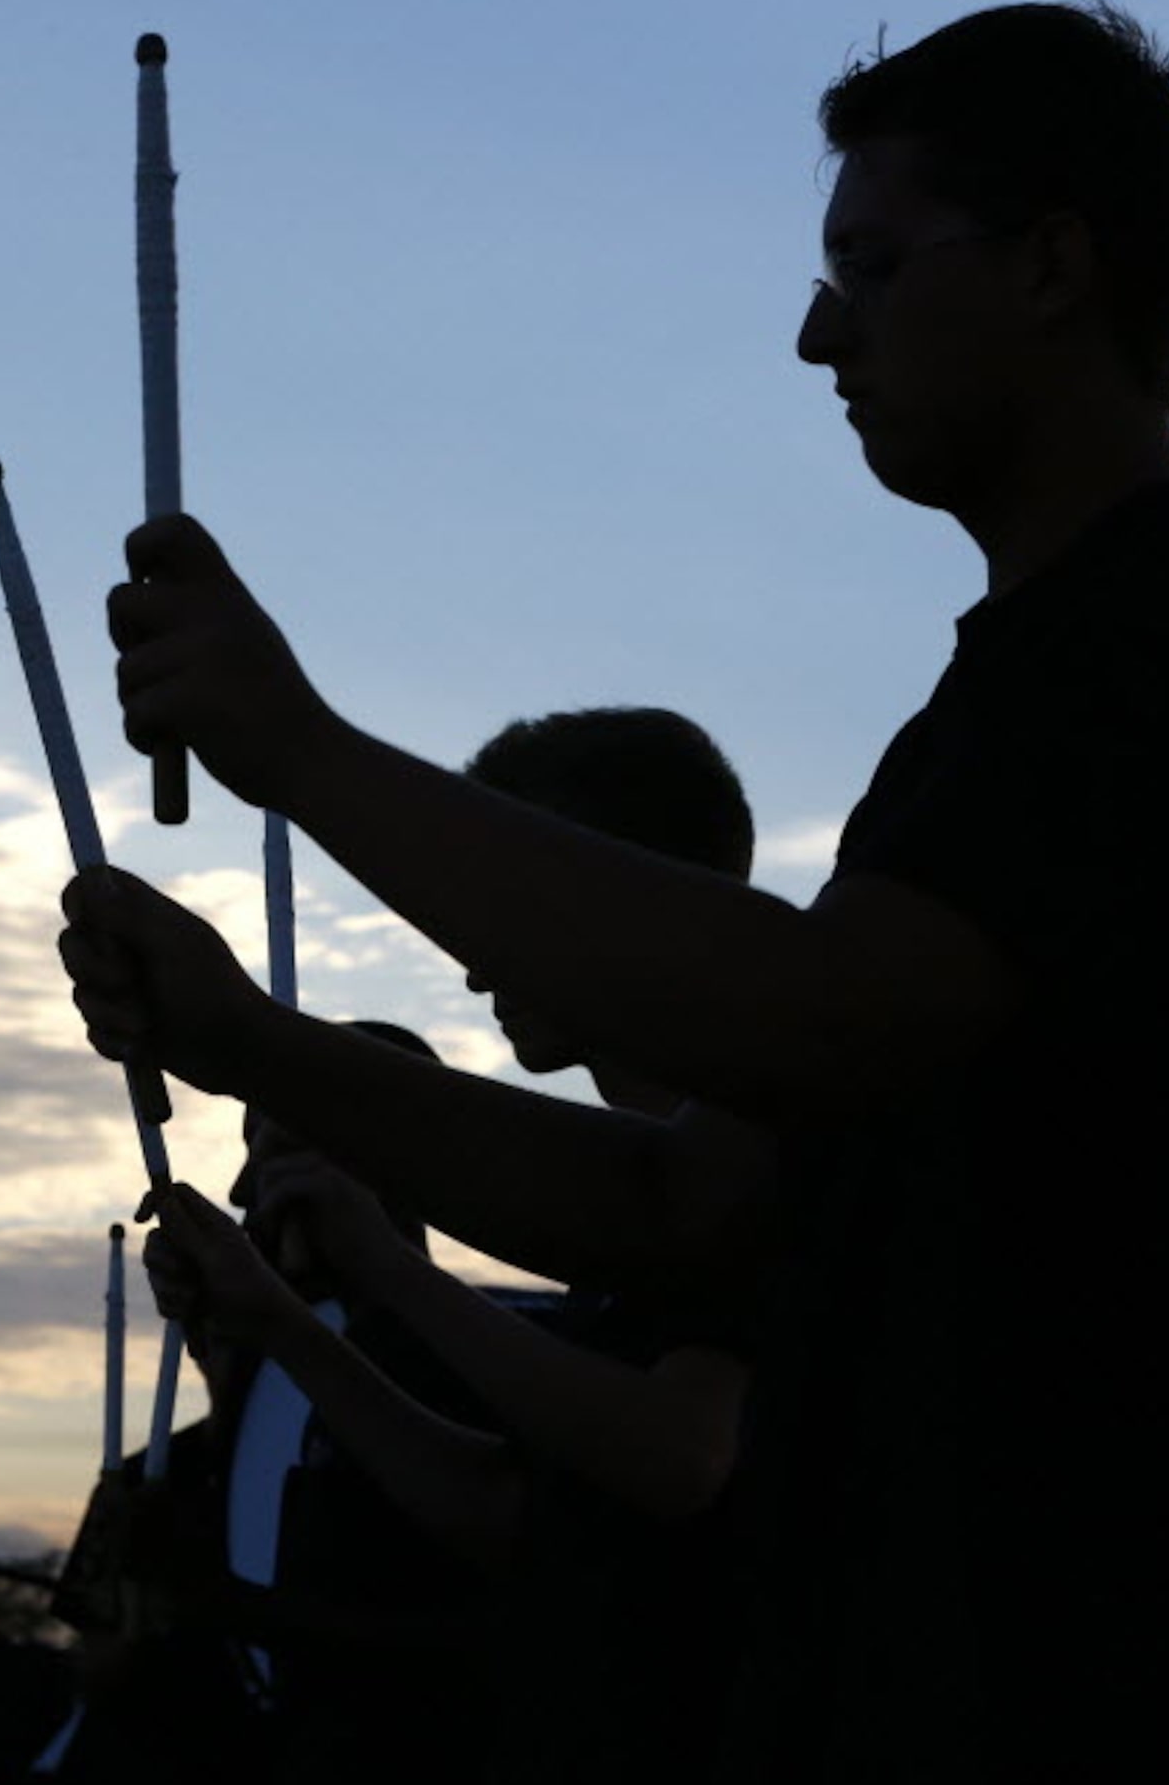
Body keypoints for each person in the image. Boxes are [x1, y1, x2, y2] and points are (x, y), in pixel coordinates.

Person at [61, 0, 1169, 1781]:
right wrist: (257, 1042)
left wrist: (304, 753)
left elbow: (817, 1017)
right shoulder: (1021, 693)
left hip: (1137, 1705)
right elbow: (688, 1201)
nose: (815, 332)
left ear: (1049, 266)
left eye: (863, 266)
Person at [147, 709, 759, 1783]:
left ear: (631, 890)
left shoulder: (772, 1148)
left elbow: (679, 1457)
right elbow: (518, 1522)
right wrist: (283, 1324)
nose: (471, 945)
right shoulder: (648, 1213)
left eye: (507, 887)